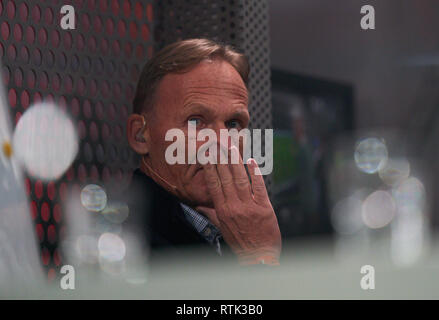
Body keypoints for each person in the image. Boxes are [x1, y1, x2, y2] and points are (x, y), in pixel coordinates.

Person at [125, 38, 281, 266]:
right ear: (140, 135)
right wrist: (259, 257)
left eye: (233, 124)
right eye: (196, 121)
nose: (222, 142)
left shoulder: (226, 229)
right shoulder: (126, 242)